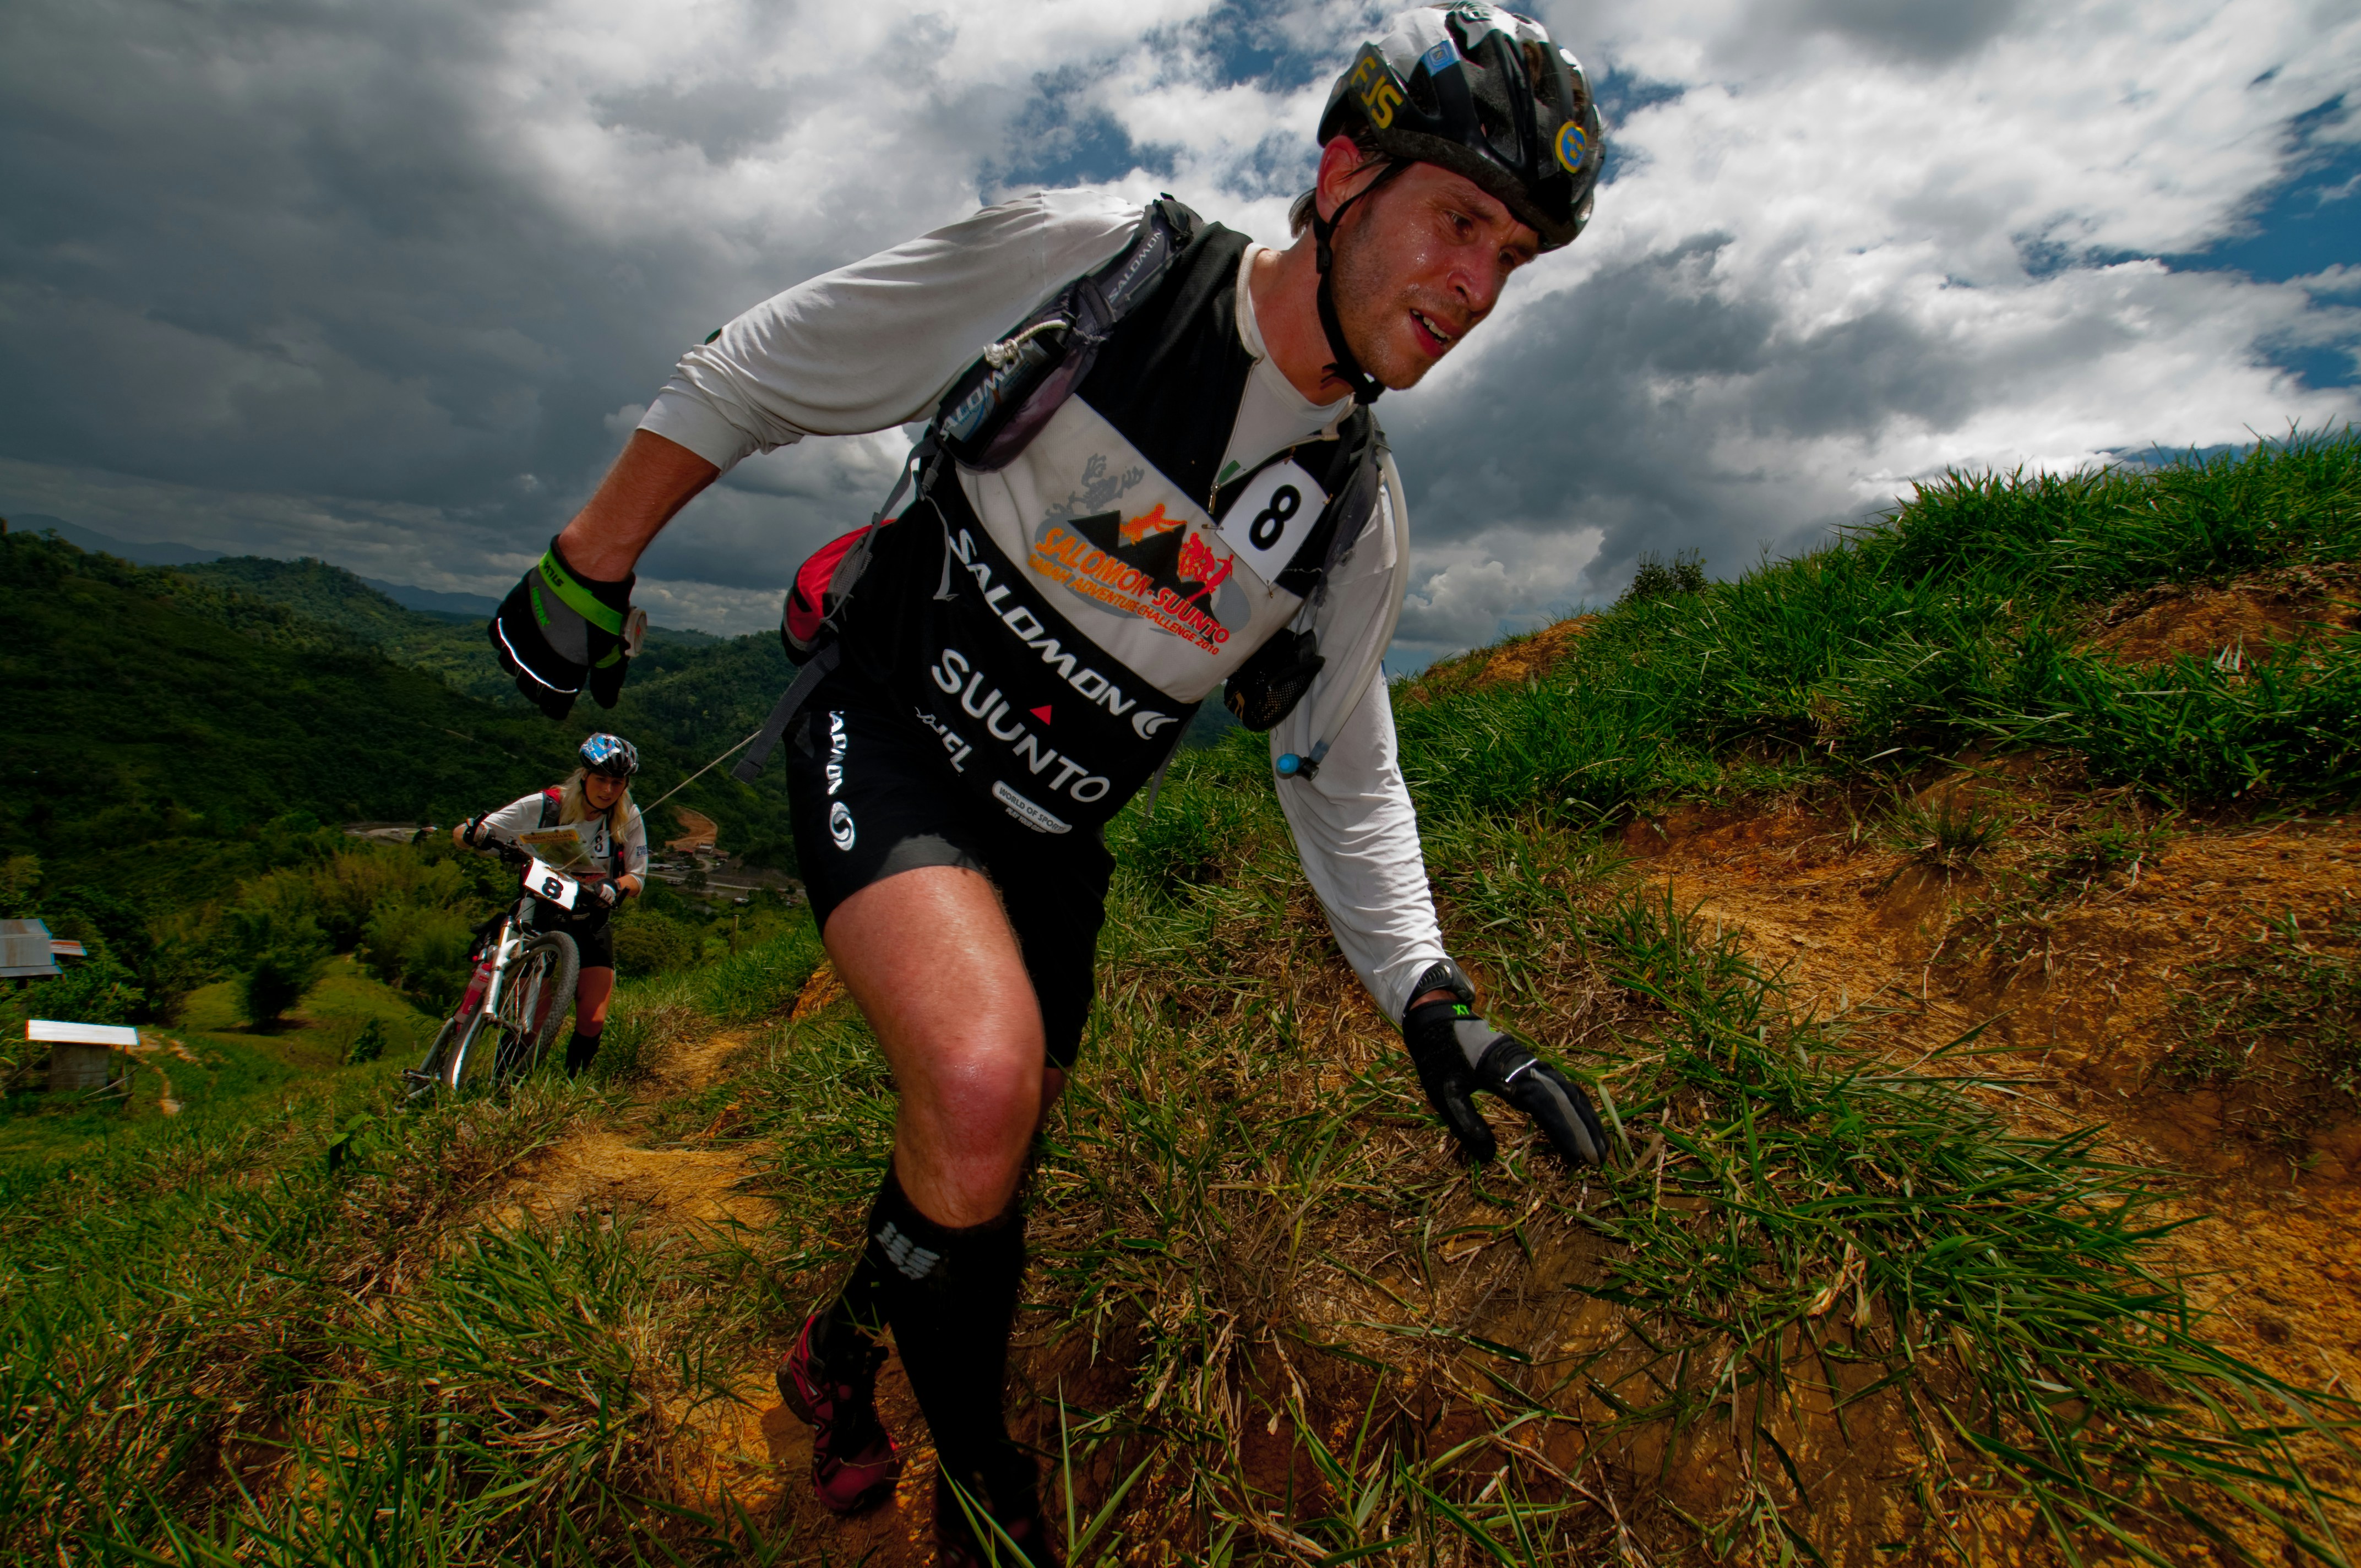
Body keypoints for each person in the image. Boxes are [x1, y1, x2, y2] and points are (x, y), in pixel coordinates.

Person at [488, 8, 1611, 1561]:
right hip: (883, 732)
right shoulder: (1105, 268)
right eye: (1462, 221)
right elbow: (771, 363)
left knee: (981, 1146)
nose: (1478, 287)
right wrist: (590, 562)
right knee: (977, 1079)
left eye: (1517, 260)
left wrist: (1433, 997)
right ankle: (985, 1503)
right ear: (1345, 175)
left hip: (1053, 838)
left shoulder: (1354, 512)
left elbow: (1338, 766)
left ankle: (836, 1353)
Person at [453, 733, 649, 1077]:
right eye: (601, 779)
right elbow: (470, 832)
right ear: (584, 776)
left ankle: (572, 1087)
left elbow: (638, 878)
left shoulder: (627, 816)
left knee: (593, 1018)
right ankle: (505, 1090)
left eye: (617, 782)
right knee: (530, 1019)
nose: (607, 790)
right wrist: (471, 834)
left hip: (591, 918)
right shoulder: (545, 806)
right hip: (540, 914)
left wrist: (615, 887)